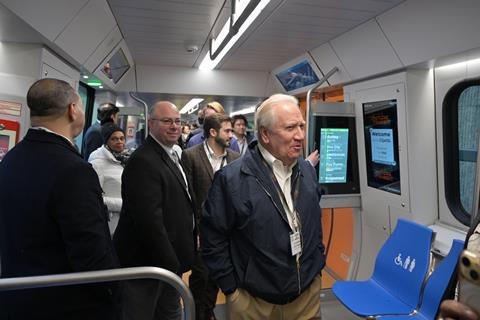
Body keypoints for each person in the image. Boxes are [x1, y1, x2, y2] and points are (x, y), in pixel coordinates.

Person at [0, 78, 119, 320]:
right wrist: (115, 294)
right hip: (65, 304)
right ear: (72, 110)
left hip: (18, 298)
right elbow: (91, 251)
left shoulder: (11, 160)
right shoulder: (75, 170)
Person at [200, 93, 325, 320]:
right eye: (290, 128)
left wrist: (317, 266)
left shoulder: (307, 171)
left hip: (306, 296)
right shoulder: (232, 179)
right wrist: (232, 290)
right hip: (253, 303)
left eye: (301, 126)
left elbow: (314, 222)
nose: (300, 135)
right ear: (265, 134)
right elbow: (212, 238)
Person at [114, 101, 196, 320]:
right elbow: (149, 222)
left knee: (169, 314)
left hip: (167, 263)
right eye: (167, 121)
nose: (174, 126)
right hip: (147, 265)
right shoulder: (143, 160)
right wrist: (173, 266)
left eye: (177, 121)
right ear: (151, 124)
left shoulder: (171, 155)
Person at [181, 114, 240, 320]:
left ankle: (209, 310)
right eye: (227, 131)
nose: (231, 136)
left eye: (232, 131)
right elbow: (187, 197)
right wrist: (194, 231)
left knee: (218, 275)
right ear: (213, 132)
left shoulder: (235, 158)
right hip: (202, 230)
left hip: (228, 231)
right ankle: (199, 314)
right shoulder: (190, 156)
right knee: (201, 276)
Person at [89, 123, 129, 235]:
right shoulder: (97, 163)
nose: (119, 142)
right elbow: (94, 198)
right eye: (114, 139)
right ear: (106, 141)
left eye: (122, 138)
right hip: (109, 222)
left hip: (124, 220)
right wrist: (124, 204)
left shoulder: (125, 160)